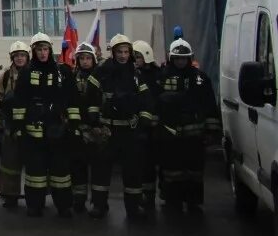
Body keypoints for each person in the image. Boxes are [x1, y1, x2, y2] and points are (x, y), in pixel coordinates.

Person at [9, 33, 78, 218]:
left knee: (60, 171)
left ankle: (64, 205)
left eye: (45, 49)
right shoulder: (26, 73)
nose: (42, 53)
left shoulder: (62, 72)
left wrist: (74, 125)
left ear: (50, 50)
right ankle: (34, 205)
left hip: (58, 129)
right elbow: (19, 101)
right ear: (33, 51)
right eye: (39, 49)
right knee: (35, 172)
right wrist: (19, 128)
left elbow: (72, 99)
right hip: (33, 130)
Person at [91, 34, 155, 219]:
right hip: (107, 130)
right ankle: (99, 205)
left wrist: (144, 119)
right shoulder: (102, 72)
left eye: (126, 52)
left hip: (129, 130)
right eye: (119, 52)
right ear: (113, 53)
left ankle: (133, 208)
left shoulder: (136, 74)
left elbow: (146, 100)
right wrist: (94, 118)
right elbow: (91, 95)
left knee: (133, 171)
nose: (123, 55)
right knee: (101, 170)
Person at [154, 39, 218, 213]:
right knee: (171, 170)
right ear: (171, 58)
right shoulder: (161, 77)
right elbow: (154, 104)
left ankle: (193, 201)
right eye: (177, 58)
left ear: (190, 58)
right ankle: (171, 200)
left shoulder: (200, 78)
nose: (180, 61)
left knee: (194, 170)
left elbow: (210, 105)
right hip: (169, 134)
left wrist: (212, 131)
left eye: (184, 58)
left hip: (194, 135)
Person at [0, 41, 30, 208]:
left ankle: (35, 194)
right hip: (11, 124)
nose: (20, 58)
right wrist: (3, 108)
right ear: (12, 58)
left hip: (30, 123)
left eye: (22, 55)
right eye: (17, 56)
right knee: (10, 162)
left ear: (28, 57)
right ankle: (9, 193)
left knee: (34, 161)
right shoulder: (5, 75)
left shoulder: (34, 73)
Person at [70, 42, 104, 212]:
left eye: (88, 58)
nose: (84, 61)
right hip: (78, 129)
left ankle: (98, 203)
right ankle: (79, 199)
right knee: (78, 166)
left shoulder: (101, 77)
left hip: (97, 129)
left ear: (94, 60)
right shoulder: (72, 77)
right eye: (81, 58)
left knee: (99, 168)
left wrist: (97, 124)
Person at [132, 40, 161, 209]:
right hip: (136, 127)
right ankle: (139, 195)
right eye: (134, 56)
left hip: (154, 128)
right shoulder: (130, 74)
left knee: (151, 163)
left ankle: (150, 195)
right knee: (138, 163)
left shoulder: (156, 75)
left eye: (138, 56)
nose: (136, 60)